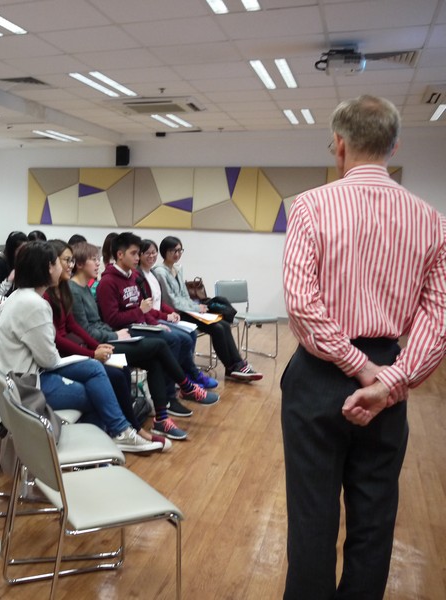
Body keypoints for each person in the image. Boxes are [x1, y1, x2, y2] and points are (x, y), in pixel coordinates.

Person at [281, 95, 446, 600]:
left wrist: (358, 368)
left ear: (339, 145)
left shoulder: (310, 207)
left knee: (312, 517)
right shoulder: (431, 220)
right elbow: (437, 320)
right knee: (375, 516)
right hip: (389, 382)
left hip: (318, 375)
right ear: (394, 145)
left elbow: (303, 306)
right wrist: (387, 379)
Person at [0, 240, 162, 455]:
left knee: (96, 370)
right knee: (96, 392)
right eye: (60, 262)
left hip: (21, 374)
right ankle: (94, 449)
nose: (64, 267)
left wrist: (15, 340)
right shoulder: (36, 304)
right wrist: (88, 355)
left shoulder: (19, 295)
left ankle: (118, 433)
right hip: (28, 383)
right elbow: (49, 360)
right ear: (48, 268)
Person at [46, 240, 176, 445]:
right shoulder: (52, 294)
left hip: (80, 348)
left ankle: (131, 426)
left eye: (71, 260)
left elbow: (73, 325)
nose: (70, 265)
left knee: (122, 366)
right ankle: (126, 429)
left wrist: (96, 346)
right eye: (66, 260)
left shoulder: (62, 289)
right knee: (117, 370)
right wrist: (93, 351)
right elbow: (59, 338)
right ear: (51, 264)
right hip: (63, 357)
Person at [96, 232, 219, 410]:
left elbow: (144, 309)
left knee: (183, 338)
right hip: (125, 331)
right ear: (120, 254)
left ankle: (181, 387)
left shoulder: (132, 277)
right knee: (171, 340)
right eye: (134, 253)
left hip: (139, 325)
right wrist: (143, 314)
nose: (138, 258)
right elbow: (113, 319)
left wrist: (154, 322)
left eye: (139, 253)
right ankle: (174, 394)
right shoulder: (108, 282)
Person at [152, 236, 263, 382]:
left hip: (188, 310)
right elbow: (172, 300)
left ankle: (237, 364)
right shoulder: (160, 272)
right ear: (164, 252)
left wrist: (196, 307)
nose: (177, 254)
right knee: (217, 328)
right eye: (173, 251)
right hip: (176, 314)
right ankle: (231, 367)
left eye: (180, 250)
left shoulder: (177, 268)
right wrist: (196, 307)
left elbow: (184, 295)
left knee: (223, 324)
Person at [137, 238, 218, 389]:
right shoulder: (142, 276)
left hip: (159, 315)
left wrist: (169, 312)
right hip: (150, 320)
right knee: (182, 338)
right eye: (147, 253)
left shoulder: (151, 275)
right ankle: (186, 376)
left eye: (154, 253)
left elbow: (159, 301)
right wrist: (165, 316)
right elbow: (146, 308)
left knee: (191, 333)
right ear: (140, 255)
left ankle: (186, 374)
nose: (152, 256)